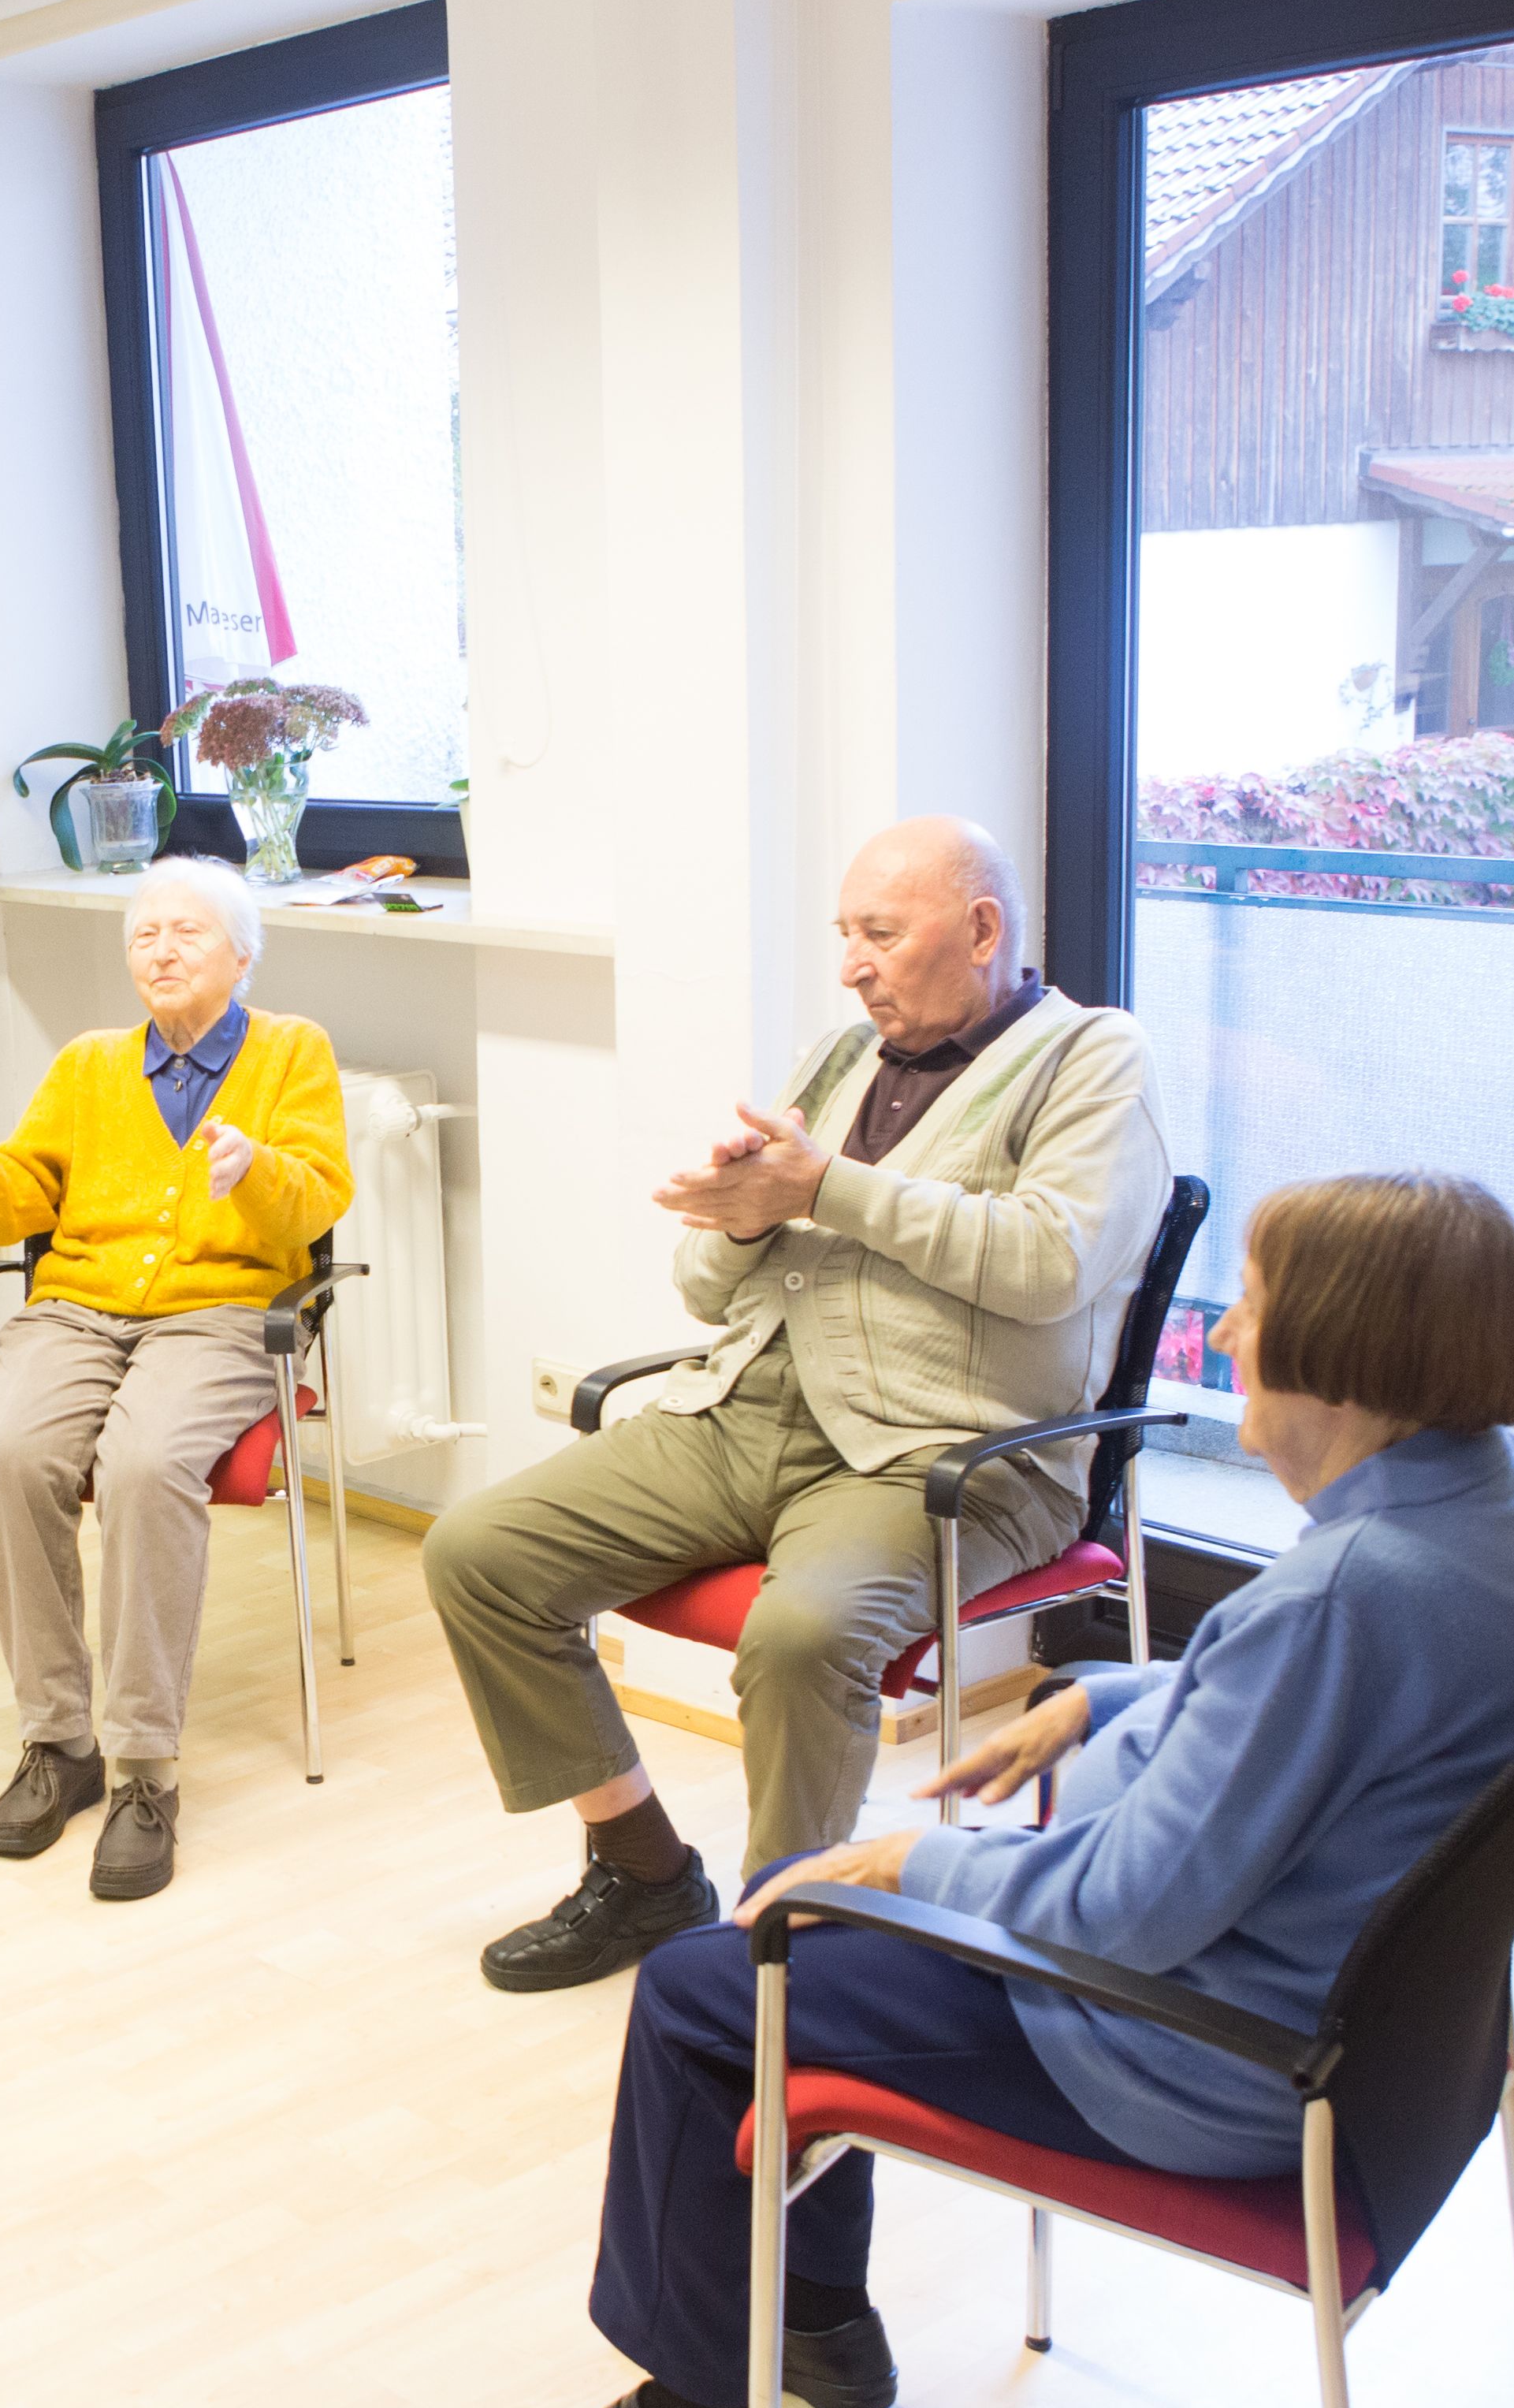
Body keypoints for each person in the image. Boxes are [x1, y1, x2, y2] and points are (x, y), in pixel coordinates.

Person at [497, 1174, 1514, 2408]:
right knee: (811, 1926)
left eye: (1256, 1307)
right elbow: (1337, 1720)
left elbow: (1121, 1911)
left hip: (1191, 2049)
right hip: (1390, 2056)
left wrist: (904, 1865)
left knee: (716, 1976)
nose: (1230, 1335)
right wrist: (1104, 1699)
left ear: (1334, 1357)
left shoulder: (1342, 1595)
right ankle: (814, 2322)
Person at [423, 815, 1174, 1993]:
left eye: (879, 933)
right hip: (755, 1406)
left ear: (982, 930)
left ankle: (789, 1949)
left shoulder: (1093, 1060)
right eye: (845, 935)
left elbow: (1052, 1263)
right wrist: (743, 1216)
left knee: (804, 1634)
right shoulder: (840, 1060)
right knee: (479, 1552)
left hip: (949, 1450)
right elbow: (710, 1291)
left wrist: (827, 1186)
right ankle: (645, 1872)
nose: (851, 966)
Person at [0, 856, 350, 1902]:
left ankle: (144, 1768)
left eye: (187, 932)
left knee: (143, 1468)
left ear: (243, 955)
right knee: (7, 1458)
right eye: (144, 935)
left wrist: (252, 1169)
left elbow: (311, 1208)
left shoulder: (294, 1054)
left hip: (218, 1315)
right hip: (78, 1309)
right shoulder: (88, 1066)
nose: (161, 950)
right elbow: (19, 1200)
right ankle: (58, 1743)